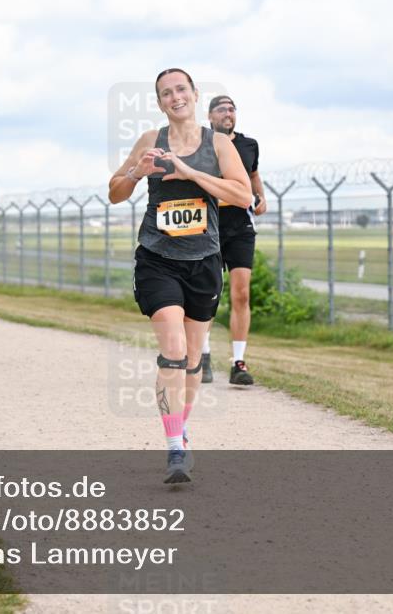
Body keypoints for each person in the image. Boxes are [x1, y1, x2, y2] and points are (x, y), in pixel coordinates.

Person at [108, 68, 251, 483]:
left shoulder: (219, 144)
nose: (175, 97)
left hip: (204, 260)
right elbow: (115, 191)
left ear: (194, 94)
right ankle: (173, 449)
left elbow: (242, 195)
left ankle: (180, 431)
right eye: (166, 93)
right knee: (172, 350)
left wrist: (192, 174)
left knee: (191, 359)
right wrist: (139, 173)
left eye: (181, 89)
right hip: (157, 258)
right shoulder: (151, 141)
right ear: (159, 102)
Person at [202, 95, 267, 386]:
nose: (228, 113)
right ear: (209, 115)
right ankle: (202, 356)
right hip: (209, 225)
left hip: (240, 226)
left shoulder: (248, 144)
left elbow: (253, 174)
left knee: (241, 294)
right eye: (221, 109)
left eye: (232, 109)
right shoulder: (202, 144)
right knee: (207, 294)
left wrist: (261, 196)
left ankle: (238, 362)